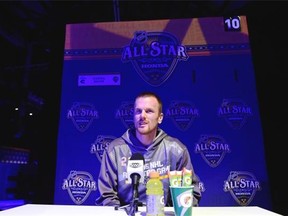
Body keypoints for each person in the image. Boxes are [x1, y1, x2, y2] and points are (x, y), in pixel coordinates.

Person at [95, 91, 201, 208]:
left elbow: (191, 192)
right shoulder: (114, 150)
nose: (142, 116)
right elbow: (107, 196)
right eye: (138, 111)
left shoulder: (176, 150)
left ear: (160, 118)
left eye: (149, 111)